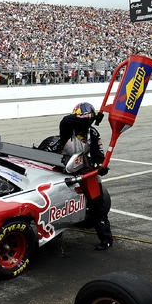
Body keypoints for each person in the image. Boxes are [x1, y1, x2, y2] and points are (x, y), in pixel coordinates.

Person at [50, 102, 113, 250]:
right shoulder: (67, 127)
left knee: (98, 206)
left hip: (84, 169)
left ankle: (106, 239)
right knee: (56, 202)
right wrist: (89, 117)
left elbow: (98, 155)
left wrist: (100, 166)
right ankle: (53, 233)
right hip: (62, 169)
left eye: (89, 118)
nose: (87, 121)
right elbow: (66, 120)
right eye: (84, 118)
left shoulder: (93, 133)